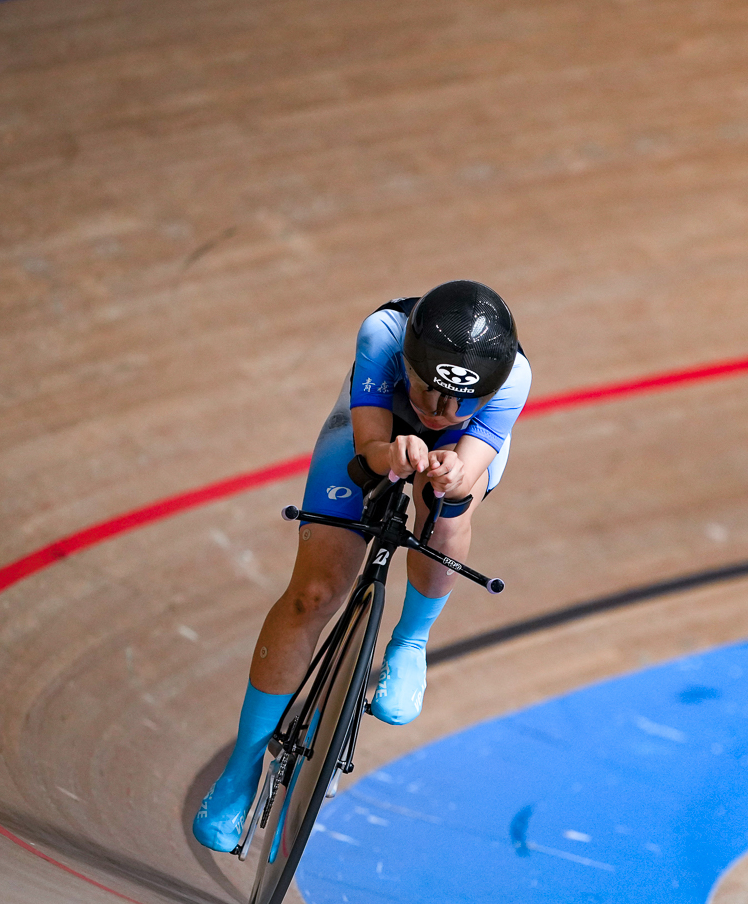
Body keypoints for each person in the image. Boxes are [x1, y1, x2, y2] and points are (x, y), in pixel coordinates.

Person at [191, 280, 532, 852]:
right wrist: (393, 452)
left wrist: (446, 469)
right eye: (426, 392)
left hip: (461, 457)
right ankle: (238, 774)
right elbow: (371, 443)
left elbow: (468, 472)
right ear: (409, 363)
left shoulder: (515, 378)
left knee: (445, 506)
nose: (437, 411)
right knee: (314, 594)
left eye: (457, 405)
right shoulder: (384, 333)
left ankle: (411, 641)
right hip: (373, 432)